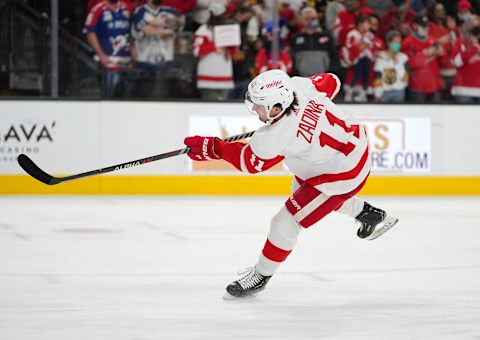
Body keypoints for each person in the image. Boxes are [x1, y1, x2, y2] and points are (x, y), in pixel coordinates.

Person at [183, 70, 399, 299]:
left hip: (341, 174)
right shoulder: (300, 87)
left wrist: (214, 149)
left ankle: (260, 276)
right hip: (353, 147)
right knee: (300, 191)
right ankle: (368, 214)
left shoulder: (275, 136)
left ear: (276, 107)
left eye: (258, 106)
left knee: (284, 222)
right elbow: (332, 81)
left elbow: (250, 163)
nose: (254, 110)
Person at [130, 0, 183, 98]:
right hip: (144, 62)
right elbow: (145, 30)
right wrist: (163, 30)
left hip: (166, 62)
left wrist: (153, 25)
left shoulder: (170, 11)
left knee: (165, 95)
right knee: (143, 96)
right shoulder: (140, 11)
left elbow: (179, 23)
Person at [84, 0, 132, 98]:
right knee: (110, 97)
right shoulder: (98, 9)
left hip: (127, 63)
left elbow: (134, 31)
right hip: (109, 63)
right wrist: (101, 54)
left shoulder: (127, 7)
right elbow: (90, 33)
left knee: (127, 98)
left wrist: (134, 55)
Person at [290, 7, 339, 77]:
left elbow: (334, 59)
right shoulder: (296, 38)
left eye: (313, 18)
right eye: (307, 19)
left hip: (323, 79)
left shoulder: (327, 36)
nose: (311, 21)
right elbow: (293, 60)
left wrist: (330, 76)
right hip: (302, 80)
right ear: (302, 20)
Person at [373, 30, 409, 102]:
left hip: (399, 92)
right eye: (395, 42)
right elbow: (377, 77)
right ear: (388, 42)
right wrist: (378, 94)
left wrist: (396, 62)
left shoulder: (403, 57)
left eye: (399, 42)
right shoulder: (381, 57)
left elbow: (405, 78)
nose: (397, 44)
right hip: (384, 93)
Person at [451, 26, 480, 103]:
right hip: (463, 91)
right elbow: (456, 62)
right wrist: (473, 48)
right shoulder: (461, 43)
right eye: (474, 35)